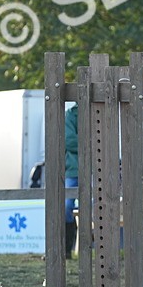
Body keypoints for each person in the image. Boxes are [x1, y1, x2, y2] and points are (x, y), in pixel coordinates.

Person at [63, 104, 79, 259]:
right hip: (73, 169)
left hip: (94, 169)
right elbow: (69, 141)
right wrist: (90, 141)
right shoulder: (71, 114)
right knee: (66, 206)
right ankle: (67, 248)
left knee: (98, 206)